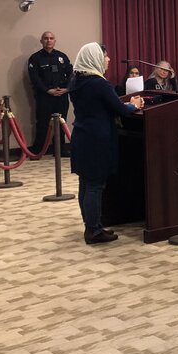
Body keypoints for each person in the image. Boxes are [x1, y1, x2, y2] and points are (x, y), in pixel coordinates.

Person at [68, 42, 144, 244]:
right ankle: (93, 231)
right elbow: (119, 108)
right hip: (96, 138)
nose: (108, 59)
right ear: (94, 58)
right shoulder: (98, 83)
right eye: (105, 56)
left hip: (82, 135)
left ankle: (92, 226)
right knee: (95, 185)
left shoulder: (76, 81)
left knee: (85, 183)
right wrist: (133, 105)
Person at [27, 30, 73, 153]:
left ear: (55, 41)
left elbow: (71, 74)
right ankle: (38, 150)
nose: (49, 40)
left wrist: (67, 88)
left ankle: (60, 150)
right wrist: (48, 90)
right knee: (42, 123)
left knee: (61, 123)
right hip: (44, 96)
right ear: (41, 41)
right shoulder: (35, 58)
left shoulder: (62, 57)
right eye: (46, 38)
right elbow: (34, 78)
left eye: (51, 38)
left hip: (61, 95)